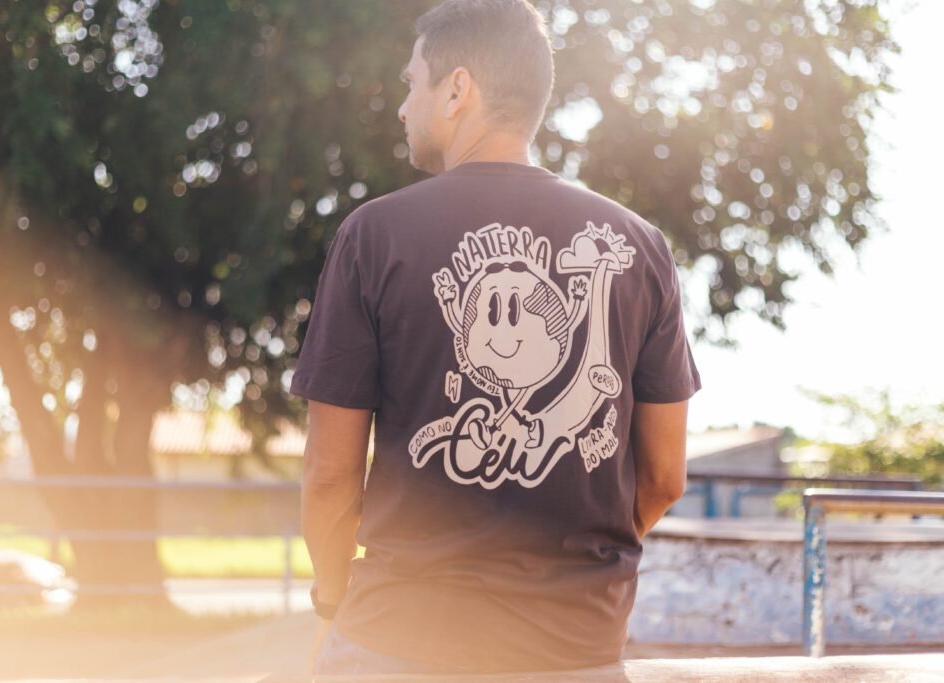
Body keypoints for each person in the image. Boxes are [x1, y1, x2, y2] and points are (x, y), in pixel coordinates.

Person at [291, 0, 701, 675]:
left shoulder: (375, 236)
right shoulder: (642, 246)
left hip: (399, 643)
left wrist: (332, 601)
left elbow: (331, 475)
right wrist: (560, 581)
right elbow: (663, 477)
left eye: (411, 83)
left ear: (457, 89)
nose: (403, 108)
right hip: (577, 651)